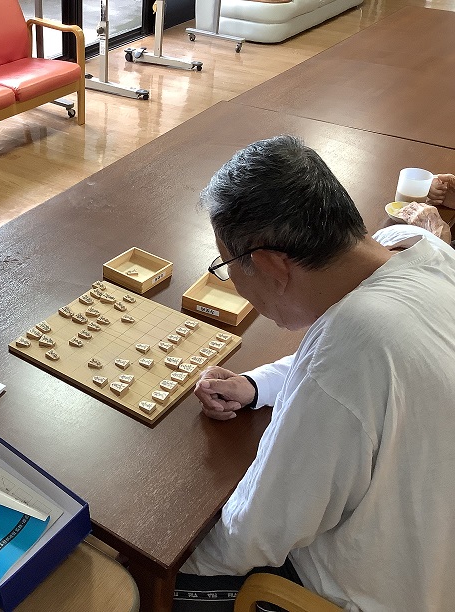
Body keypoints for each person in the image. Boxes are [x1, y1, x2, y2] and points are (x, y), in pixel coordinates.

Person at [174, 135, 455, 611]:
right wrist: (258, 385)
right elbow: (348, 371)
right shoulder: (418, 250)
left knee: (160, 574)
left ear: (271, 265)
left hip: (373, 594)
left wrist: (172, 564)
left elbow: (257, 530)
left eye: (227, 266)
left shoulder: (351, 348)